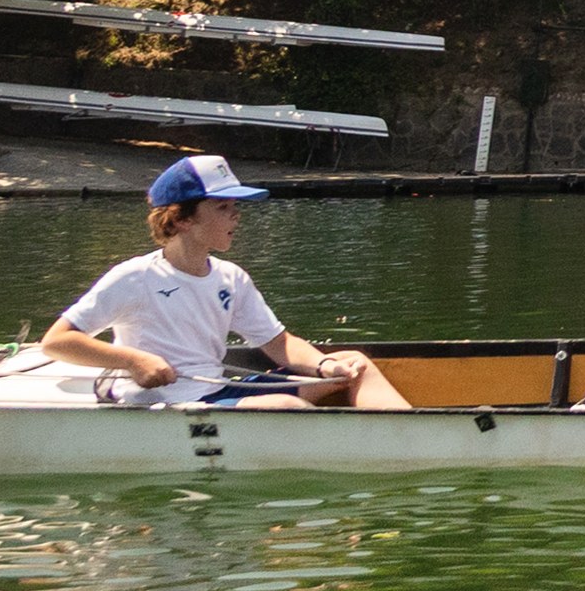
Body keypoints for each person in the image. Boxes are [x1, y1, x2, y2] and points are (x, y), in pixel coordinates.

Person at [42, 154, 410, 410]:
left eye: (235, 206)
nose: (236, 216)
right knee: (286, 406)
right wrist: (134, 360)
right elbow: (57, 342)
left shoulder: (231, 277)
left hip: (216, 391)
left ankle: (412, 439)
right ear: (182, 219)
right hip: (167, 401)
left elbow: (279, 343)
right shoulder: (135, 277)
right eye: (223, 207)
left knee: (352, 362)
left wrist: (323, 367)